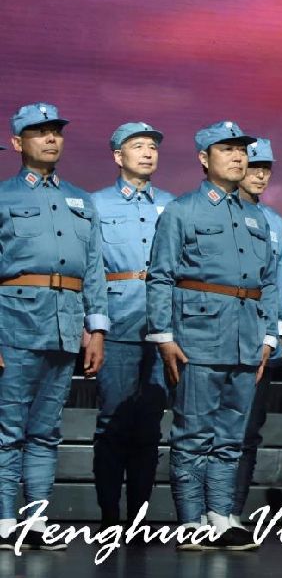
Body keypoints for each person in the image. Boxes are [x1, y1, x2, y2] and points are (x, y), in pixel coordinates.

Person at [145, 121, 277, 551]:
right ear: (204, 158)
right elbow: (161, 276)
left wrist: (268, 337)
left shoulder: (256, 216)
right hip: (197, 336)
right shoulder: (182, 210)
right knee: (192, 434)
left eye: (242, 150)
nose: (238, 157)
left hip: (245, 337)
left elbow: (269, 281)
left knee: (230, 436)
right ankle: (191, 522)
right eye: (227, 149)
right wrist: (164, 336)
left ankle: (219, 515)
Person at [0, 104, 109, 549]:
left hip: (65, 326)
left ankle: (37, 522)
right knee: (8, 429)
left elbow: (95, 269)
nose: (50, 139)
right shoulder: (4, 197)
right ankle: (5, 522)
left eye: (56, 132)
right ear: (17, 143)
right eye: (39, 132)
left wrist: (96, 330)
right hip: (14, 322)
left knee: (45, 431)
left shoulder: (81, 201)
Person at [91, 122, 173, 530]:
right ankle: (109, 518)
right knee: (114, 421)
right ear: (117, 156)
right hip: (118, 322)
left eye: (152, 146)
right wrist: (93, 325)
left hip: (162, 329)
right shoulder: (95, 204)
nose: (147, 152)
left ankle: (138, 519)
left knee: (150, 426)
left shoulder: (173, 205)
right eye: (138, 145)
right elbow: (90, 269)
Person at [231, 138, 282, 526]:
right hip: (217, 333)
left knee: (249, 431)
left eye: (266, 168)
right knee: (213, 430)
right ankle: (203, 510)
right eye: (254, 167)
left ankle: (232, 511)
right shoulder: (213, 212)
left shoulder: (275, 221)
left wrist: (276, 333)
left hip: (260, 339)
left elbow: (279, 281)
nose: (261, 175)